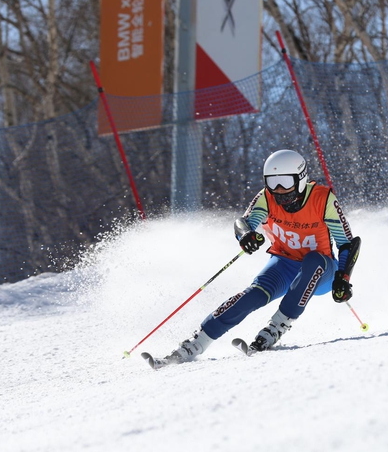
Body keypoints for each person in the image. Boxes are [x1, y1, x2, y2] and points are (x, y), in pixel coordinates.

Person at [149, 149, 361, 368]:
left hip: (321, 271)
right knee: (252, 296)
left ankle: (276, 327)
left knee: (313, 260)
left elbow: (347, 242)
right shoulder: (267, 198)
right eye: (273, 182)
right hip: (284, 263)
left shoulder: (322, 198)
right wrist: (247, 236)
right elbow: (244, 223)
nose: (279, 190)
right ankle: (195, 343)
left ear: (301, 178)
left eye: (285, 182)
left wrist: (342, 278)